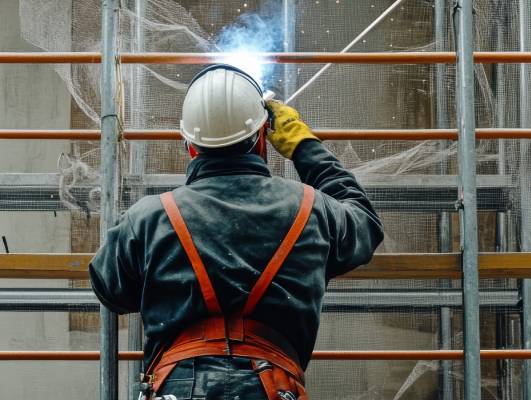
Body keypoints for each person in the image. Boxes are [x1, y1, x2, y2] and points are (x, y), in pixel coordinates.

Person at [89, 64, 384, 400]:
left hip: (177, 387)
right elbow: (364, 223)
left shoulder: (150, 216)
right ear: (262, 139)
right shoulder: (311, 209)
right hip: (271, 385)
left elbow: (110, 288)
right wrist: (303, 145)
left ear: (190, 146)